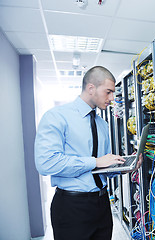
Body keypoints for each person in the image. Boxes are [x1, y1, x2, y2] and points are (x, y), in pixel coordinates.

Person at [35, 66, 143, 240]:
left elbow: (102, 168)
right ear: (91, 88)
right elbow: (45, 163)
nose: (112, 98)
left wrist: (124, 168)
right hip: (72, 207)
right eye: (108, 92)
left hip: (102, 204)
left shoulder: (102, 124)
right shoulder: (57, 116)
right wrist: (95, 161)